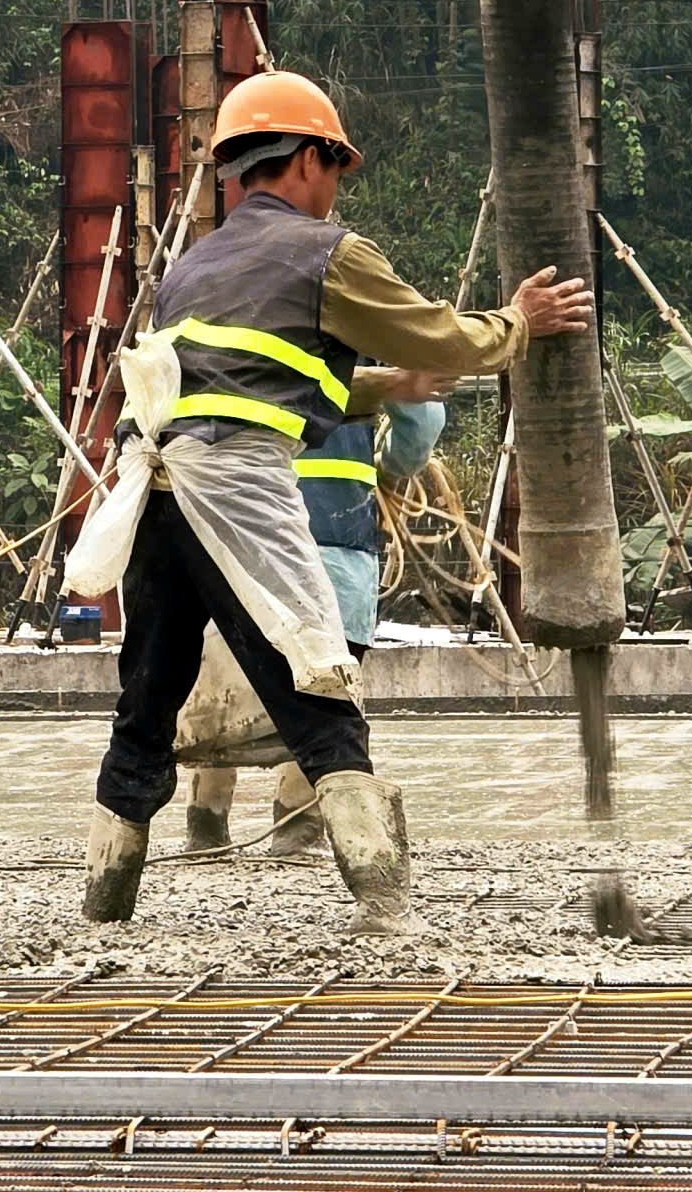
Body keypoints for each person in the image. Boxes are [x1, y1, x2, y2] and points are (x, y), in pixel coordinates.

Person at [83, 70, 593, 933]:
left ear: (242, 169)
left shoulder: (192, 266)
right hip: (238, 492)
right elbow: (435, 331)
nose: (336, 190)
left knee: (150, 696)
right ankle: (385, 905)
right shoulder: (328, 252)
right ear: (312, 157)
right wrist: (516, 323)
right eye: (337, 168)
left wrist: (384, 384)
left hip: (154, 498)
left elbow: (258, 379)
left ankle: (105, 901)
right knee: (316, 682)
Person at [179, 394, 448, 856]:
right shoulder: (362, 336)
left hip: (235, 533)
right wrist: (389, 461)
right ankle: (296, 830)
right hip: (335, 544)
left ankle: (206, 829)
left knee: (228, 672)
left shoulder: (228, 333)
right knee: (323, 686)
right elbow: (419, 423)